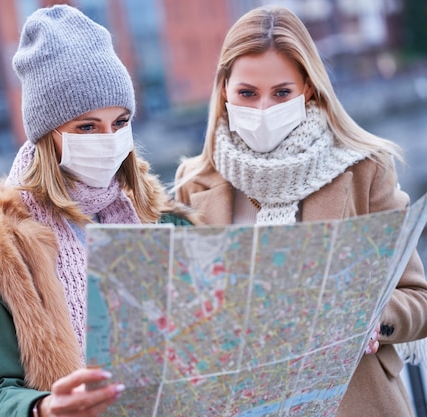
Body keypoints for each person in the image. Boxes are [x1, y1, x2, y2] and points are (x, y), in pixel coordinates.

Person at [0, 5, 195, 417]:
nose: (110, 139)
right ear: (48, 134)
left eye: (120, 122)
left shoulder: (156, 216)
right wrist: (45, 408)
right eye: (87, 127)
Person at [174, 5, 427, 417]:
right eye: (247, 93)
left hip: (352, 401)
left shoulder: (364, 169)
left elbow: (419, 298)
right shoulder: (193, 183)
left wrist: (367, 316)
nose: (262, 110)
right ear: (224, 90)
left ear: (308, 87)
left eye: (281, 93)